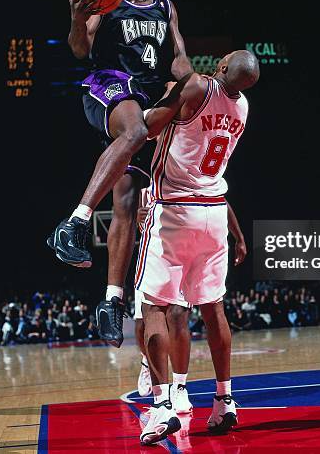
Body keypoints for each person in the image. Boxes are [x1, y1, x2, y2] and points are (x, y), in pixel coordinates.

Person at [47, 0, 192, 347]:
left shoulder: (164, 5)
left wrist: (195, 87)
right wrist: (77, 17)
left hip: (146, 97)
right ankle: (73, 223)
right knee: (132, 133)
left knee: (127, 201)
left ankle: (112, 300)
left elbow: (178, 58)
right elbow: (80, 49)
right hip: (108, 87)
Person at [136, 51, 259, 445]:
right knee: (214, 308)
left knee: (153, 306)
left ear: (221, 68)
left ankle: (161, 405)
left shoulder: (194, 88)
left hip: (174, 209)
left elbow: (148, 127)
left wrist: (165, 97)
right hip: (214, 212)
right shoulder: (242, 107)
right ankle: (224, 401)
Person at [134, 189, 246, 415]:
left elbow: (220, 198)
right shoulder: (145, 186)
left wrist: (239, 235)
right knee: (142, 324)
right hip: (158, 245)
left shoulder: (179, 169)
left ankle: (178, 388)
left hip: (187, 235)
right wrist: (139, 217)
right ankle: (148, 361)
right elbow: (136, 221)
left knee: (178, 315)